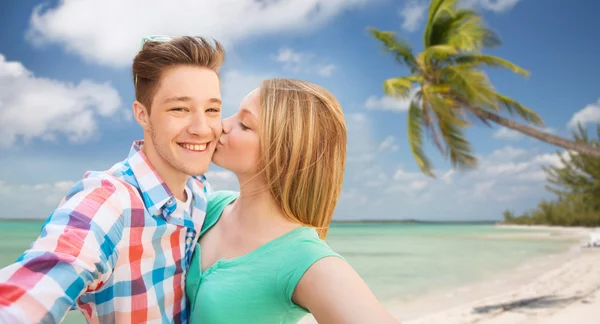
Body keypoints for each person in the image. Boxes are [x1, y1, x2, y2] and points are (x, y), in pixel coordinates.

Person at [0, 36, 224, 323]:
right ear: (142, 115)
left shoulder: (200, 192)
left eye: (212, 110)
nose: (201, 128)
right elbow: (39, 284)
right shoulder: (109, 201)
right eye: (179, 109)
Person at [186, 79, 399, 324]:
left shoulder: (303, 258)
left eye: (244, 124)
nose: (222, 125)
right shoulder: (211, 207)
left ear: (285, 152)